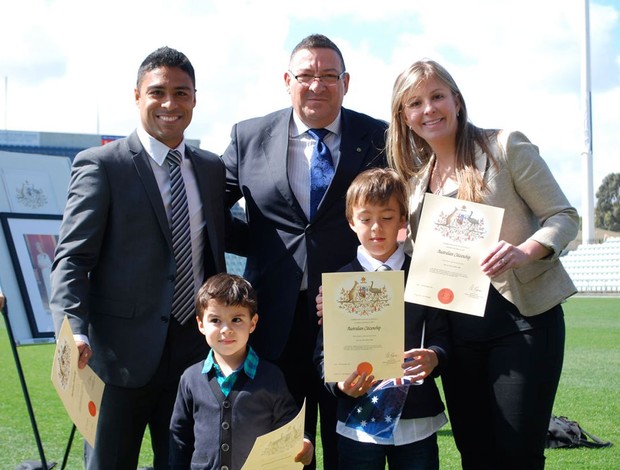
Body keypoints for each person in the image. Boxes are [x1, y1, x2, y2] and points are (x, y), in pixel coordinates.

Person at [386, 59, 579, 469]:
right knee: (474, 454)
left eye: (437, 96)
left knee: (516, 455)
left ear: (456, 100)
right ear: (404, 117)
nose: (429, 109)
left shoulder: (505, 146)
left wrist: (525, 251)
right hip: (458, 338)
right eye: (415, 103)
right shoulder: (416, 185)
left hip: (522, 325)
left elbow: (563, 216)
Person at [50, 46, 228, 470]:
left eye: (182, 93)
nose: (170, 103)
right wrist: (74, 329)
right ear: (136, 96)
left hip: (193, 357)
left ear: (195, 99)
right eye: (158, 92)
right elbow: (72, 259)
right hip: (117, 362)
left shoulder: (210, 168)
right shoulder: (101, 165)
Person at [221, 33, 388, 468]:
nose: (317, 85)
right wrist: (261, 242)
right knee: (283, 450)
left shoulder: (378, 138)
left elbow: (401, 212)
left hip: (354, 316)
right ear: (287, 80)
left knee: (350, 449)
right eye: (306, 75)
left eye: (329, 75)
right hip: (274, 318)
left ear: (346, 82)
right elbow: (209, 212)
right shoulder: (248, 136)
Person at [314, 168, 450, 469]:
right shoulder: (339, 283)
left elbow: (443, 336)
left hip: (417, 418)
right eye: (365, 219)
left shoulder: (424, 276)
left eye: (387, 217)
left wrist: (435, 357)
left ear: (403, 220)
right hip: (357, 421)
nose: (376, 227)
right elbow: (323, 355)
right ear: (352, 222)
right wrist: (340, 386)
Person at [169, 273, 314, 469]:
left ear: (252, 323)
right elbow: (180, 437)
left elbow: (289, 426)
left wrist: (304, 442)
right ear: (201, 324)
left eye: (236, 319)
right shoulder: (190, 378)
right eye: (215, 320)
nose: (226, 329)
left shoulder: (271, 377)